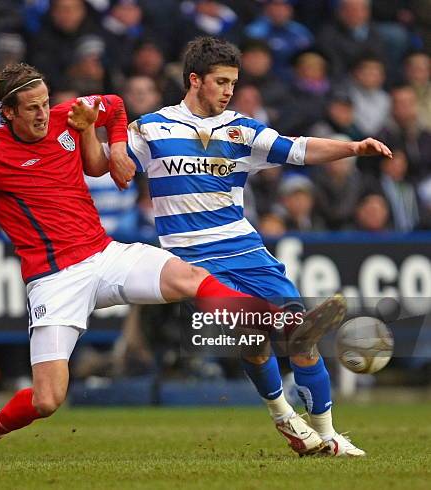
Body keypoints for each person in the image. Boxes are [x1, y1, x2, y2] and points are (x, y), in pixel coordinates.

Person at [0, 63, 327, 462]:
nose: (45, 116)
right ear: (7, 113)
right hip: (54, 281)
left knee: (191, 277)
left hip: (104, 254)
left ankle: (267, 317)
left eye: (47, 104)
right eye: (32, 109)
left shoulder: (69, 114)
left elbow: (111, 104)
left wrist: (112, 147)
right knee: (48, 400)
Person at [118, 37, 392, 457]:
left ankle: (327, 434)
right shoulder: (151, 128)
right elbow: (112, 167)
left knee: (301, 338)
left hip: (248, 253)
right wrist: (86, 132)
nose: (229, 90)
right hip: (193, 264)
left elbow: (298, 148)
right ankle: (284, 415)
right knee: (255, 339)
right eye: (221, 81)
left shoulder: (241, 129)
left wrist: (352, 147)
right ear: (195, 80)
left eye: (233, 82)